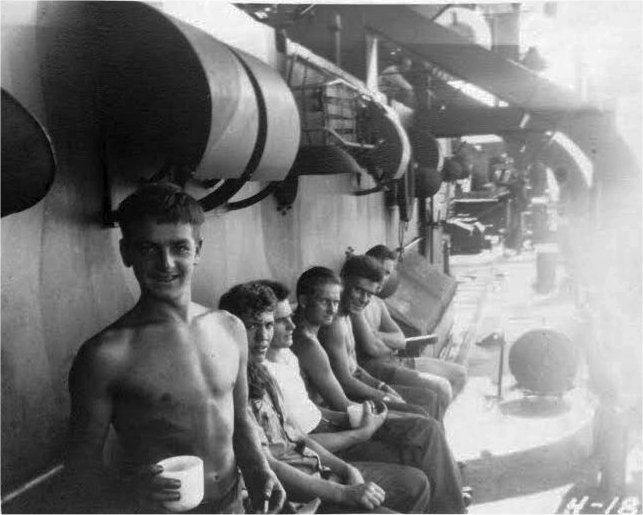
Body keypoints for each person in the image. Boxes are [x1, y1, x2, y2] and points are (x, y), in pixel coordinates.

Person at [65, 183, 285, 514]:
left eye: (179, 247)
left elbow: (240, 419)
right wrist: (129, 489)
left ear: (198, 250)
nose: (166, 263)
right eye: (148, 249)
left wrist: (259, 469)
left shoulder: (230, 328)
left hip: (233, 502)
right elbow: (79, 470)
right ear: (126, 253)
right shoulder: (106, 355)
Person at [219, 282, 433, 514]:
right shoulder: (230, 389)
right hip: (295, 497)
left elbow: (298, 437)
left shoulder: (263, 372)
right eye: (252, 326)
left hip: (316, 470)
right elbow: (268, 466)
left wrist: (346, 470)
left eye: (269, 325)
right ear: (231, 330)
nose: (263, 336)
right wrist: (345, 493)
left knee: (416, 483)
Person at [260, 279, 469, 513]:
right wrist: (361, 428)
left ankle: (449, 493)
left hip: (329, 429)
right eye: (277, 321)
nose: (291, 325)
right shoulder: (285, 360)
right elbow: (302, 436)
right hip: (324, 447)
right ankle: (450, 500)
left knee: (423, 425)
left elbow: (311, 411)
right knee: (421, 440)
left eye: (335, 302)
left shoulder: (286, 355)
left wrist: (365, 410)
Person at [317, 258, 452, 418]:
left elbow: (355, 369)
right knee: (422, 417)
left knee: (429, 398)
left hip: (362, 384)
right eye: (358, 290)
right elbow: (345, 381)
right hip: (349, 400)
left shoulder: (348, 315)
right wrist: (384, 396)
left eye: (369, 294)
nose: (364, 299)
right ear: (343, 281)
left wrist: (382, 387)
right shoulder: (334, 324)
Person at [360, 245, 468, 404]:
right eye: (380, 270)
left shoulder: (378, 302)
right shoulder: (358, 304)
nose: (383, 278)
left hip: (395, 360)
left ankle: (438, 415)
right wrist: (390, 343)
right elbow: (372, 348)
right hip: (379, 368)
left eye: (388, 273)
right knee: (442, 387)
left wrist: (378, 336)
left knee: (460, 374)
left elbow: (401, 340)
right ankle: (433, 417)